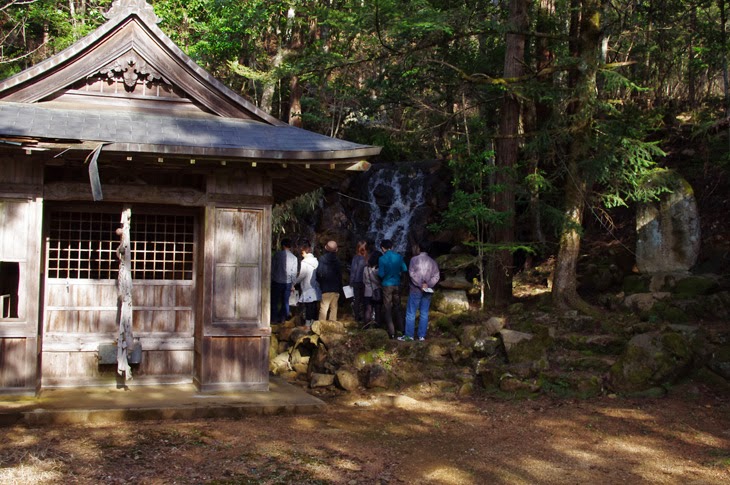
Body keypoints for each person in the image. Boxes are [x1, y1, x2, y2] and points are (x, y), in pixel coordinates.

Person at [400, 240, 440, 341]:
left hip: (415, 289)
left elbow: (411, 273)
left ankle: (409, 336)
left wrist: (419, 284)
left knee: (411, 312)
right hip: (428, 290)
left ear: (419, 248)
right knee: (424, 313)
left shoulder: (414, 260)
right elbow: (437, 276)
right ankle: (422, 336)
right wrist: (428, 284)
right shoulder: (433, 262)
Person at [378, 239, 407, 339]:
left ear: (382, 248)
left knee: (387, 308)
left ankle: (392, 332)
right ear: (392, 246)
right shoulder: (399, 257)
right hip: (397, 284)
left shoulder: (382, 259)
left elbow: (381, 274)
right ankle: (402, 330)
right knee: (397, 307)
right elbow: (405, 269)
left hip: (387, 285)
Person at [270, 238, 298, 324]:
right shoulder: (294, 258)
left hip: (276, 281)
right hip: (287, 282)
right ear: (290, 247)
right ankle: (283, 319)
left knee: (274, 301)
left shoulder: (277, 255)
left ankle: (274, 319)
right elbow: (293, 273)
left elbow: (272, 267)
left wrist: (271, 278)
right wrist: (293, 284)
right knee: (285, 301)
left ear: (282, 246)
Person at [294, 240, 320, 327]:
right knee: (314, 306)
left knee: (308, 307)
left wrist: (294, 282)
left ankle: (307, 324)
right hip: (315, 287)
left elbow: (302, 275)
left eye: (302, 252)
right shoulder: (316, 261)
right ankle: (314, 323)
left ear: (304, 251)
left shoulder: (304, 263)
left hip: (307, 287)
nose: (301, 255)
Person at [317, 240, 343, 321]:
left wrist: (320, 283)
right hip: (335, 288)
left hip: (325, 288)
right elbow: (340, 275)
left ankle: (321, 327)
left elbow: (318, 273)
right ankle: (332, 328)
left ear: (326, 248)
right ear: (336, 250)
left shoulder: (322, 259)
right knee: (334, 308)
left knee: (324, 309)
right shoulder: (338, 261)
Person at [349, 240, 369, 324]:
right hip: (366, 282)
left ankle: (357, 318)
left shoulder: (356, 258)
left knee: (357, 300)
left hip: (357, 281)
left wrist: (351, 282)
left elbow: (353, 271)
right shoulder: (368, 257)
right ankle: (366, 317)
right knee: (365, 300)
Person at [363, 250, 382, 327]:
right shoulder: (378, 269)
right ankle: (377, 326)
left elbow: (363, 280)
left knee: (368, 310)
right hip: (377, 291)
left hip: (367, 292)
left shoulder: (365, 268)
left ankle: (367, 326)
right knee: (378, 310)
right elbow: (380, 280)